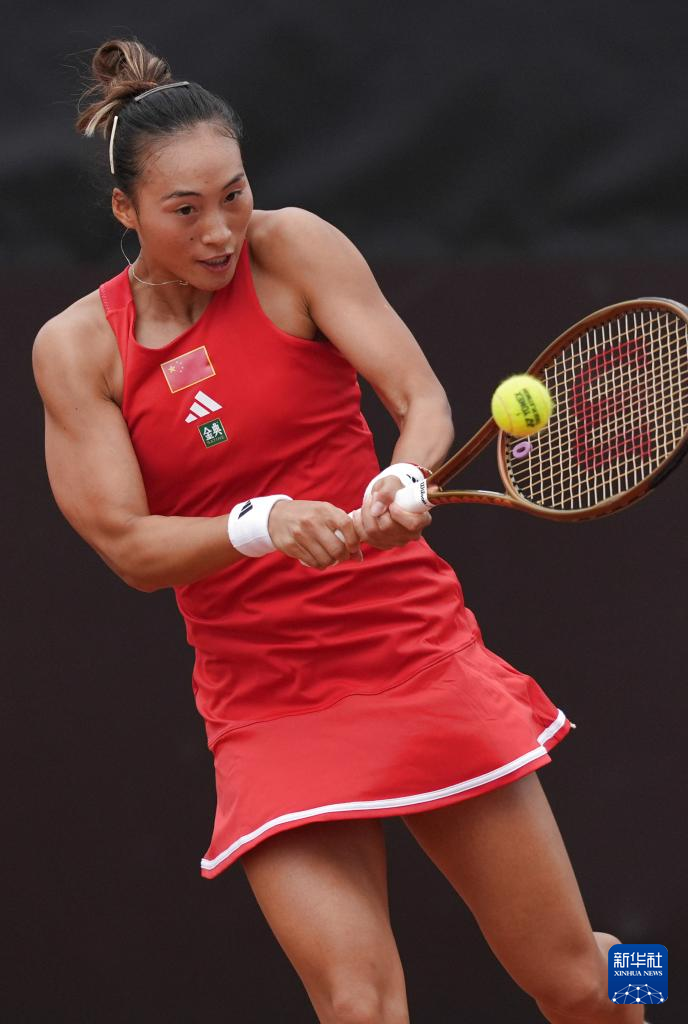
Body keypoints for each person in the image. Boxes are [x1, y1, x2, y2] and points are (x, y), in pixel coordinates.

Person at [32, 38, 645, 1024]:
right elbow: (129, 547)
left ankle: (653, 979)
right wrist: (258, 524)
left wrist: (404, 472)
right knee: (359, 1007)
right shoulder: (76, 351)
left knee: (579, 979)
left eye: (234, 195)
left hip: (408, 651)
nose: (221, 231)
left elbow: (419, 398)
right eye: (185, 210)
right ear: (125, 211)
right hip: (268, 705)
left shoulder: (295, 248)